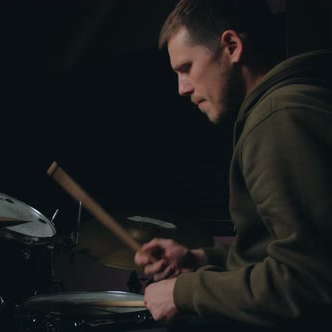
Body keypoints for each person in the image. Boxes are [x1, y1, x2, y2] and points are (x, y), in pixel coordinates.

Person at [134, 0, 332, 330]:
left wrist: (183, 292)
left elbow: (310, 281)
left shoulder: (278, 119)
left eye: (186, 68)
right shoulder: (287, 107)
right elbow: (280, 254)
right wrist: (200, 260)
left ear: (232, 46)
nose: (182, 89)